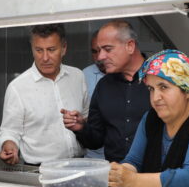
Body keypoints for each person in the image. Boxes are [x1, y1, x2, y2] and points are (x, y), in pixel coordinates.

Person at [107, 49, 189, 187]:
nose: (155, 98)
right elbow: (134, 161)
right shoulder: (151, 119)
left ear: (187, 91)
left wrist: (133, 180)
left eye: (163, 87)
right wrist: (118, 177)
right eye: (151, 89)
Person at [0, 24, 87, 165]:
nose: (45, 58)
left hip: (78, 165)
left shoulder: (77, 76)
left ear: (64, 48)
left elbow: (87, 118)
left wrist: (82, 123)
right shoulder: (17, 87)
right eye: (39, 50)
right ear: (32, 49)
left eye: (51, 50)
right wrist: (9, 147)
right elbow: (9, 131)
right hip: (39, 170)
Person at [61, 20, 149, 162]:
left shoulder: (159, 79)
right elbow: (96, 141)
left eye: (108, 49)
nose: (100, 57)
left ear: (130, 46)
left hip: (154, 174)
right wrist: (81, 128)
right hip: (115, 173)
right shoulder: (104, 86)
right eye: (99, 50)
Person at [82, 29, 106, 159]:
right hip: (93, 156)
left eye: (103, 50)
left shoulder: (126, 75)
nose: (99, 57)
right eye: (94, 51)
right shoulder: (84, 75)